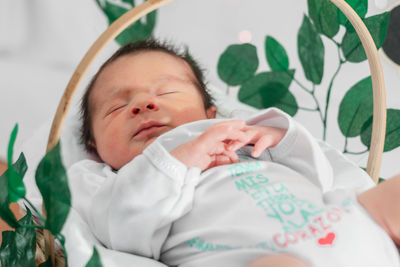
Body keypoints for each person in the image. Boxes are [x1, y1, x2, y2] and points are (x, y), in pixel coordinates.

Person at [68, 39, 400, 267]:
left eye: (166, 91)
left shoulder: (238, 132)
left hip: (343, 219)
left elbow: (322, 175)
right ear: (94, 145)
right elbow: (122, 229)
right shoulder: (103, 179)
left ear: (209, 114)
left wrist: (278, 137)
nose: (143, 105)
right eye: (117, 106)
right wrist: (180, 159)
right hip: (261, 256)